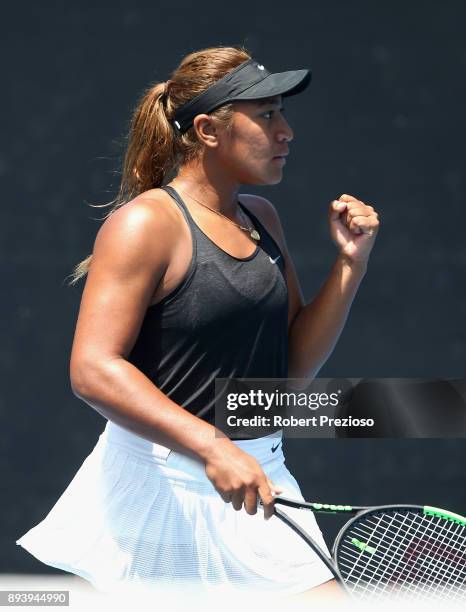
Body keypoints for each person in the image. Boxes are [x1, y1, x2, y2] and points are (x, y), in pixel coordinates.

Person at [16, 45, 379, 600]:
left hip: (258, 474)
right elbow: (92, 368)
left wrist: (350, 263)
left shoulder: (262, 218)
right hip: (163, 482)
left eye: (282, 113)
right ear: (209, 130)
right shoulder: (143, 225)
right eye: (267, 116)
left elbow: (292, 371)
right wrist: (211, 445)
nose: (286, 132)